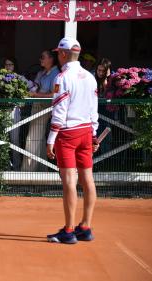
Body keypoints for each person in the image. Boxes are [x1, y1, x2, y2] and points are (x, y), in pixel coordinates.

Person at [46, 37, 99, 244]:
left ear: (63, 54)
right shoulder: (90, 77)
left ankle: (68, 231)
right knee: (87, 178)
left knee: (69, 180)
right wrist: (94, 133)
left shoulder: (62, 77)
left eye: (58, 53)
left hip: (68, 133)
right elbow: (94, 109)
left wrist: (51, 138)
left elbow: (59, 112)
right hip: (86, 131)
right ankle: (85, 227)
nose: (58, 55)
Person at [22, 49, 60, 171]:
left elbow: (54, 94)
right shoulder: (41, 73)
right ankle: (42, 170)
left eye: (43, 57)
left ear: (51, 59)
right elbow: (35, 86)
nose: (40, 59)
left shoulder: (57, 74)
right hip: (36, 106)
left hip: (45, 108)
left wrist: (35, 95)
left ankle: (26, 173)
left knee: (32, 139)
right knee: (39, 138)